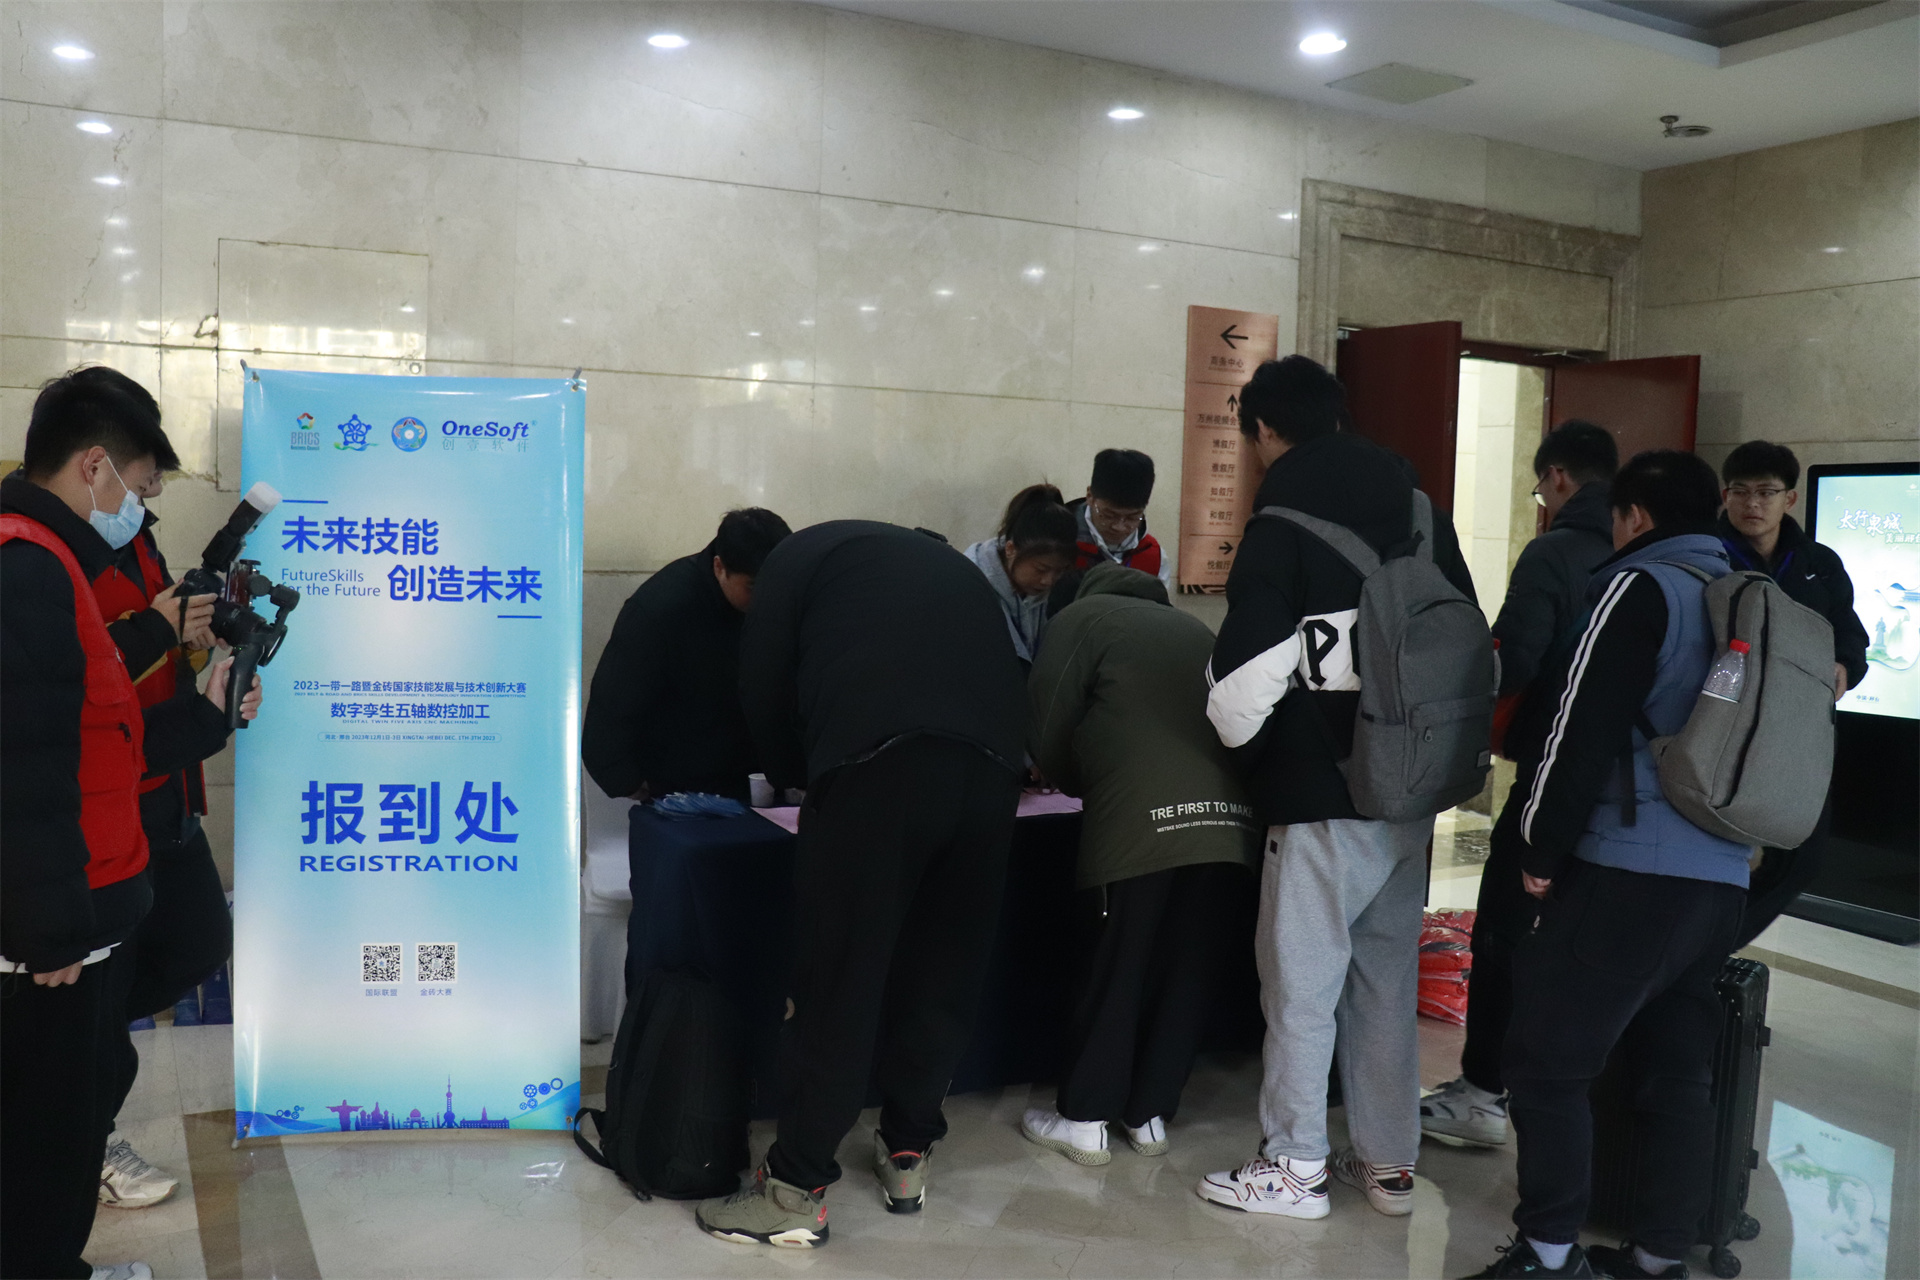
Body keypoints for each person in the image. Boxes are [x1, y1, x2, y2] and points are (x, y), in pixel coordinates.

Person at [1196, 355, 1476, 1222]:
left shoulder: (1281, 523)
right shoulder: (1422, 512)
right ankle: (1389, 1164)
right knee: (1385, 979)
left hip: (1325, 793)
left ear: (1263, 430)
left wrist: (1265, 758)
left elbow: (1238, 695)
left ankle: (1293, 1166)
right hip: (1415, 787)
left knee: (1301, 985)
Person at [1463, 450, 1751, 1280]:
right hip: (1721, 875)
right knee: (1677, 1075)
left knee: (1547, 1063)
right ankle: (1660, 1258)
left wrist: (1538, 848)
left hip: (1631, 866)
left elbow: (1576, 727)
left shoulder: (1639, 587)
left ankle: (1549, 1254)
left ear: (1634, 517)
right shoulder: (1749, 597)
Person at [697, 521, 1026, 1247]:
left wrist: (799, 776)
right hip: (993, 774)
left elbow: (763, 685)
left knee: (840, 979)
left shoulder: (792, 564)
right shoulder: (949, 571)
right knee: (942, 968)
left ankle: (793, 1189)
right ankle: (908, 1152)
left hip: (878, 769)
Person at [3, 367, 259, 1280]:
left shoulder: (55, 559)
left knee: (64, 1115)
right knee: (46, 1133)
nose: (140, 508)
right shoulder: (28, 567)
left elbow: (105, 735)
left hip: (102, 883)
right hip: (62, 915)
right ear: (93, 466)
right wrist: (51, 929)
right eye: (139, 487)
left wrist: (209, 714)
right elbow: (25, 769)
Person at [1019, 563, 1258, 1165]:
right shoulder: (1196, 630)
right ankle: (1148, 1115)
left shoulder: (1081, 618)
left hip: (1137, 824)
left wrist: (1080, 782)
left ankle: (1083, 1120)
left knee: (1116, 965)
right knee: (1185, 971)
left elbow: (1046, 723)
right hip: (1229, 828)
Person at [1421, 419, 1617, 1149]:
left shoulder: (1555, 552)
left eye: (1540, 488)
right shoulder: (1643, 552)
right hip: (1624, 791)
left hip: (1549, 773)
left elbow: (1518, 656)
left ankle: (1481, 1094)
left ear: (1558, 477)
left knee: (1503, 927)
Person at [1716, 440, 1866, 947]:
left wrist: (1845, 666)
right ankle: (1692, 955)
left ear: (1790, 499)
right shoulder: (1709, 554)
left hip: (1796, 734)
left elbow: (1850, 635)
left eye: (1766, 492)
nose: (1752, 504)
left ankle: (1713, 949)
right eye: (1741, 491)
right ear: (1725, 495)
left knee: (1802, 856)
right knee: (1716, 850)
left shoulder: (1819, 563)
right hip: (1722, 728)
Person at [582, 508, 791, 803]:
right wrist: (629, 782)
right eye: (753, 587)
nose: (766, 598)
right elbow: (612, 708)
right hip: (683, 794)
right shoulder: (661, 609)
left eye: (776, 584)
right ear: (719, 567)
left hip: (761, 784)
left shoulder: (784, 599)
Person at [963, 485, 1078, 665]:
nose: (1048, 581)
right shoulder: (971, 585)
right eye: (1041, 569)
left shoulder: (1043, 594)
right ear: (1010, 549)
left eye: (1059, 571)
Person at [1067, 448, 1172, 587]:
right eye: (1109, 515)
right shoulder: (1058, 542)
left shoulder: (1155, 557)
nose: (1119, 527)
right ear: (1090, 497)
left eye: (1132, 517)